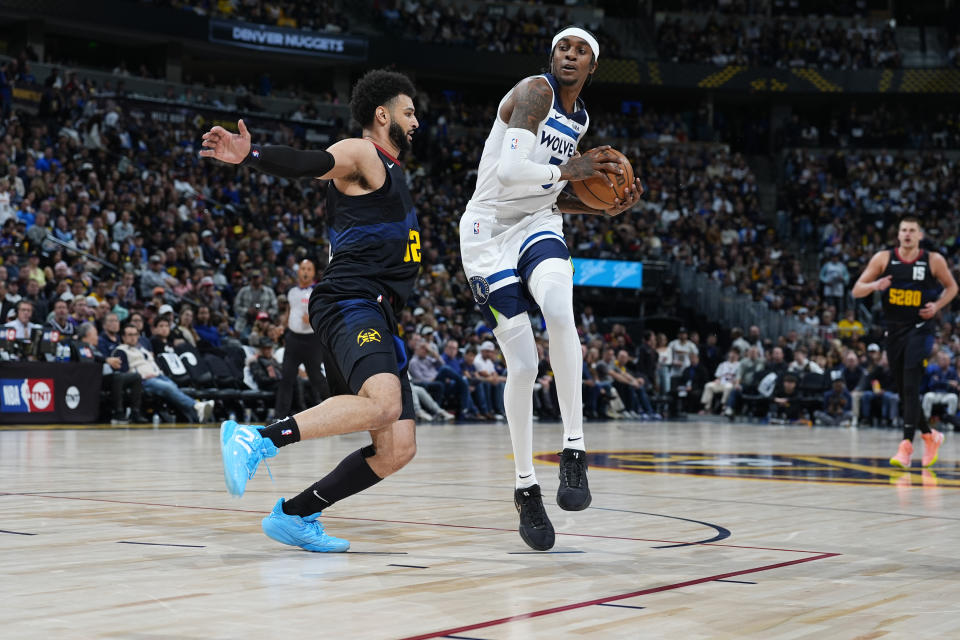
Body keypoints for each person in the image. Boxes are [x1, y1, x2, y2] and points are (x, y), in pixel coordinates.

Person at [202, 68, 422, 553]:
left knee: (396, 448)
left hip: (379, 313)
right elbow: (311, 162)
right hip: (350, 301)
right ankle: (257, 439)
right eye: (409, 112)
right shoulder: (364, 152)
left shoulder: (396, 172)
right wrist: (252, 155)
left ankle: (295, 516)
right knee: (385, 405)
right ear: (382, 115)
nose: (416, 121)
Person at [457, 26, 642, 551]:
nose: (570, 55)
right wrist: (573, 167)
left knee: (561, 312)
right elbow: (514, 172)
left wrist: (604, 204)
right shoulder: (534, 93)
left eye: (582, 51)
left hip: (538, 222)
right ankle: (524, 488)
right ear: (553, 55)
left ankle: (574, 451)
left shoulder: (579, 118)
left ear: (592, 68)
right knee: (522, 365)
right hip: (487, 231)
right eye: (564, 46)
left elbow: (552, 192)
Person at [852, 215, 958, 468]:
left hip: (921, 328)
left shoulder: (933, 260)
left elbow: (952, 287)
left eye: (912, 230)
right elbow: (857, 289)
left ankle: (906, 446)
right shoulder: (883, 258)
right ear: (898, 235)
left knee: (911, 383)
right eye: (904, 230)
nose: (908, 234)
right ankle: (930, 436)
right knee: (904, 390)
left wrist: (937, 306)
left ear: (920, 235)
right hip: (895, 330)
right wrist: (875, 285)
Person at [113, 322, 213, 423]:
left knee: (173, 387)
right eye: (130, 335)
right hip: (143, 380)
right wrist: (142, 376)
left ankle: (197, 415)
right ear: (123, 337)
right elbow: (124, 372)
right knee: (169, 388)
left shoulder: (142, 349)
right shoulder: (121, 351)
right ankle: (196, 406)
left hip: (158, 376)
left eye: (135, 334)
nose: (133, 337)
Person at [275, 258, 329, 417]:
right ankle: (279, 417)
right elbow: (289, 313)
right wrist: (281, 327)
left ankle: (336, 410)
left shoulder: (317, 291)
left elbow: (325, 315)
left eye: (309, 269)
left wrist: (313, 319)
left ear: (313, 273)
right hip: (293, 340)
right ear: (298, 272)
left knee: (317, 378)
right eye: (303, 268)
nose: (305, 272)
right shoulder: (291, 292)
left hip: (312, 341)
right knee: (286, 378)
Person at [74, 321, 145, 424]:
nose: (97, 337)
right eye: (95, 334)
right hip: (94, 378)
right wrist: (106, 360)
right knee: (118, 378)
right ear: (88, 335)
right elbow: (90, 359)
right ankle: (118, 412)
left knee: (136, 377)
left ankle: (135, 412)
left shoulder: (95, 348)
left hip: (108, 375)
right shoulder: (82, 347)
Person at [921, 350, 959, 422]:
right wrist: (948, 382)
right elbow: (932, 383)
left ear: (949, 361)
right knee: (928, 396)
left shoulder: (952, 371)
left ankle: (949, 420)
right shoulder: (935, 369)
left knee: (953, 398)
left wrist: (941, 382)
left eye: (945, 360)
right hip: (935, 393)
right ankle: (926, 419)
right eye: (942, 360)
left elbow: (956, 383)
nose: (944, 362)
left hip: (946, 394)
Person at [701, 347, 740, 414]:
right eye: (732, 352)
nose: (733, 355)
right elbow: (718, 376)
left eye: (735, 353)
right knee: (708, 385)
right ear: (729, 354)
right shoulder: (723, 364)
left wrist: (735, 382)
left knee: (728, 387)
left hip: (731, 384)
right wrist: (717, 380)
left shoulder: (739, 365)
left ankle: (723, 407)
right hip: (721, 384)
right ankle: (707, 408)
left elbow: (739, 377)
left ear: (738, 355)